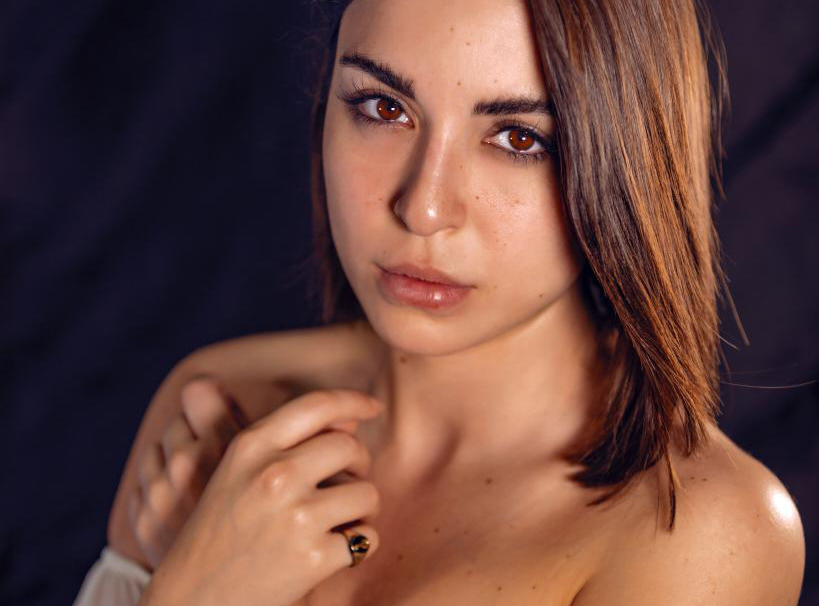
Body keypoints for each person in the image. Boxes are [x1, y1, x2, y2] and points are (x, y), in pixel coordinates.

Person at [73, 0, 807, 604]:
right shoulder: (219, 408)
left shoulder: (702, 532)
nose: (423, 208)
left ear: (628, 163)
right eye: (382, 107)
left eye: (519, 138)